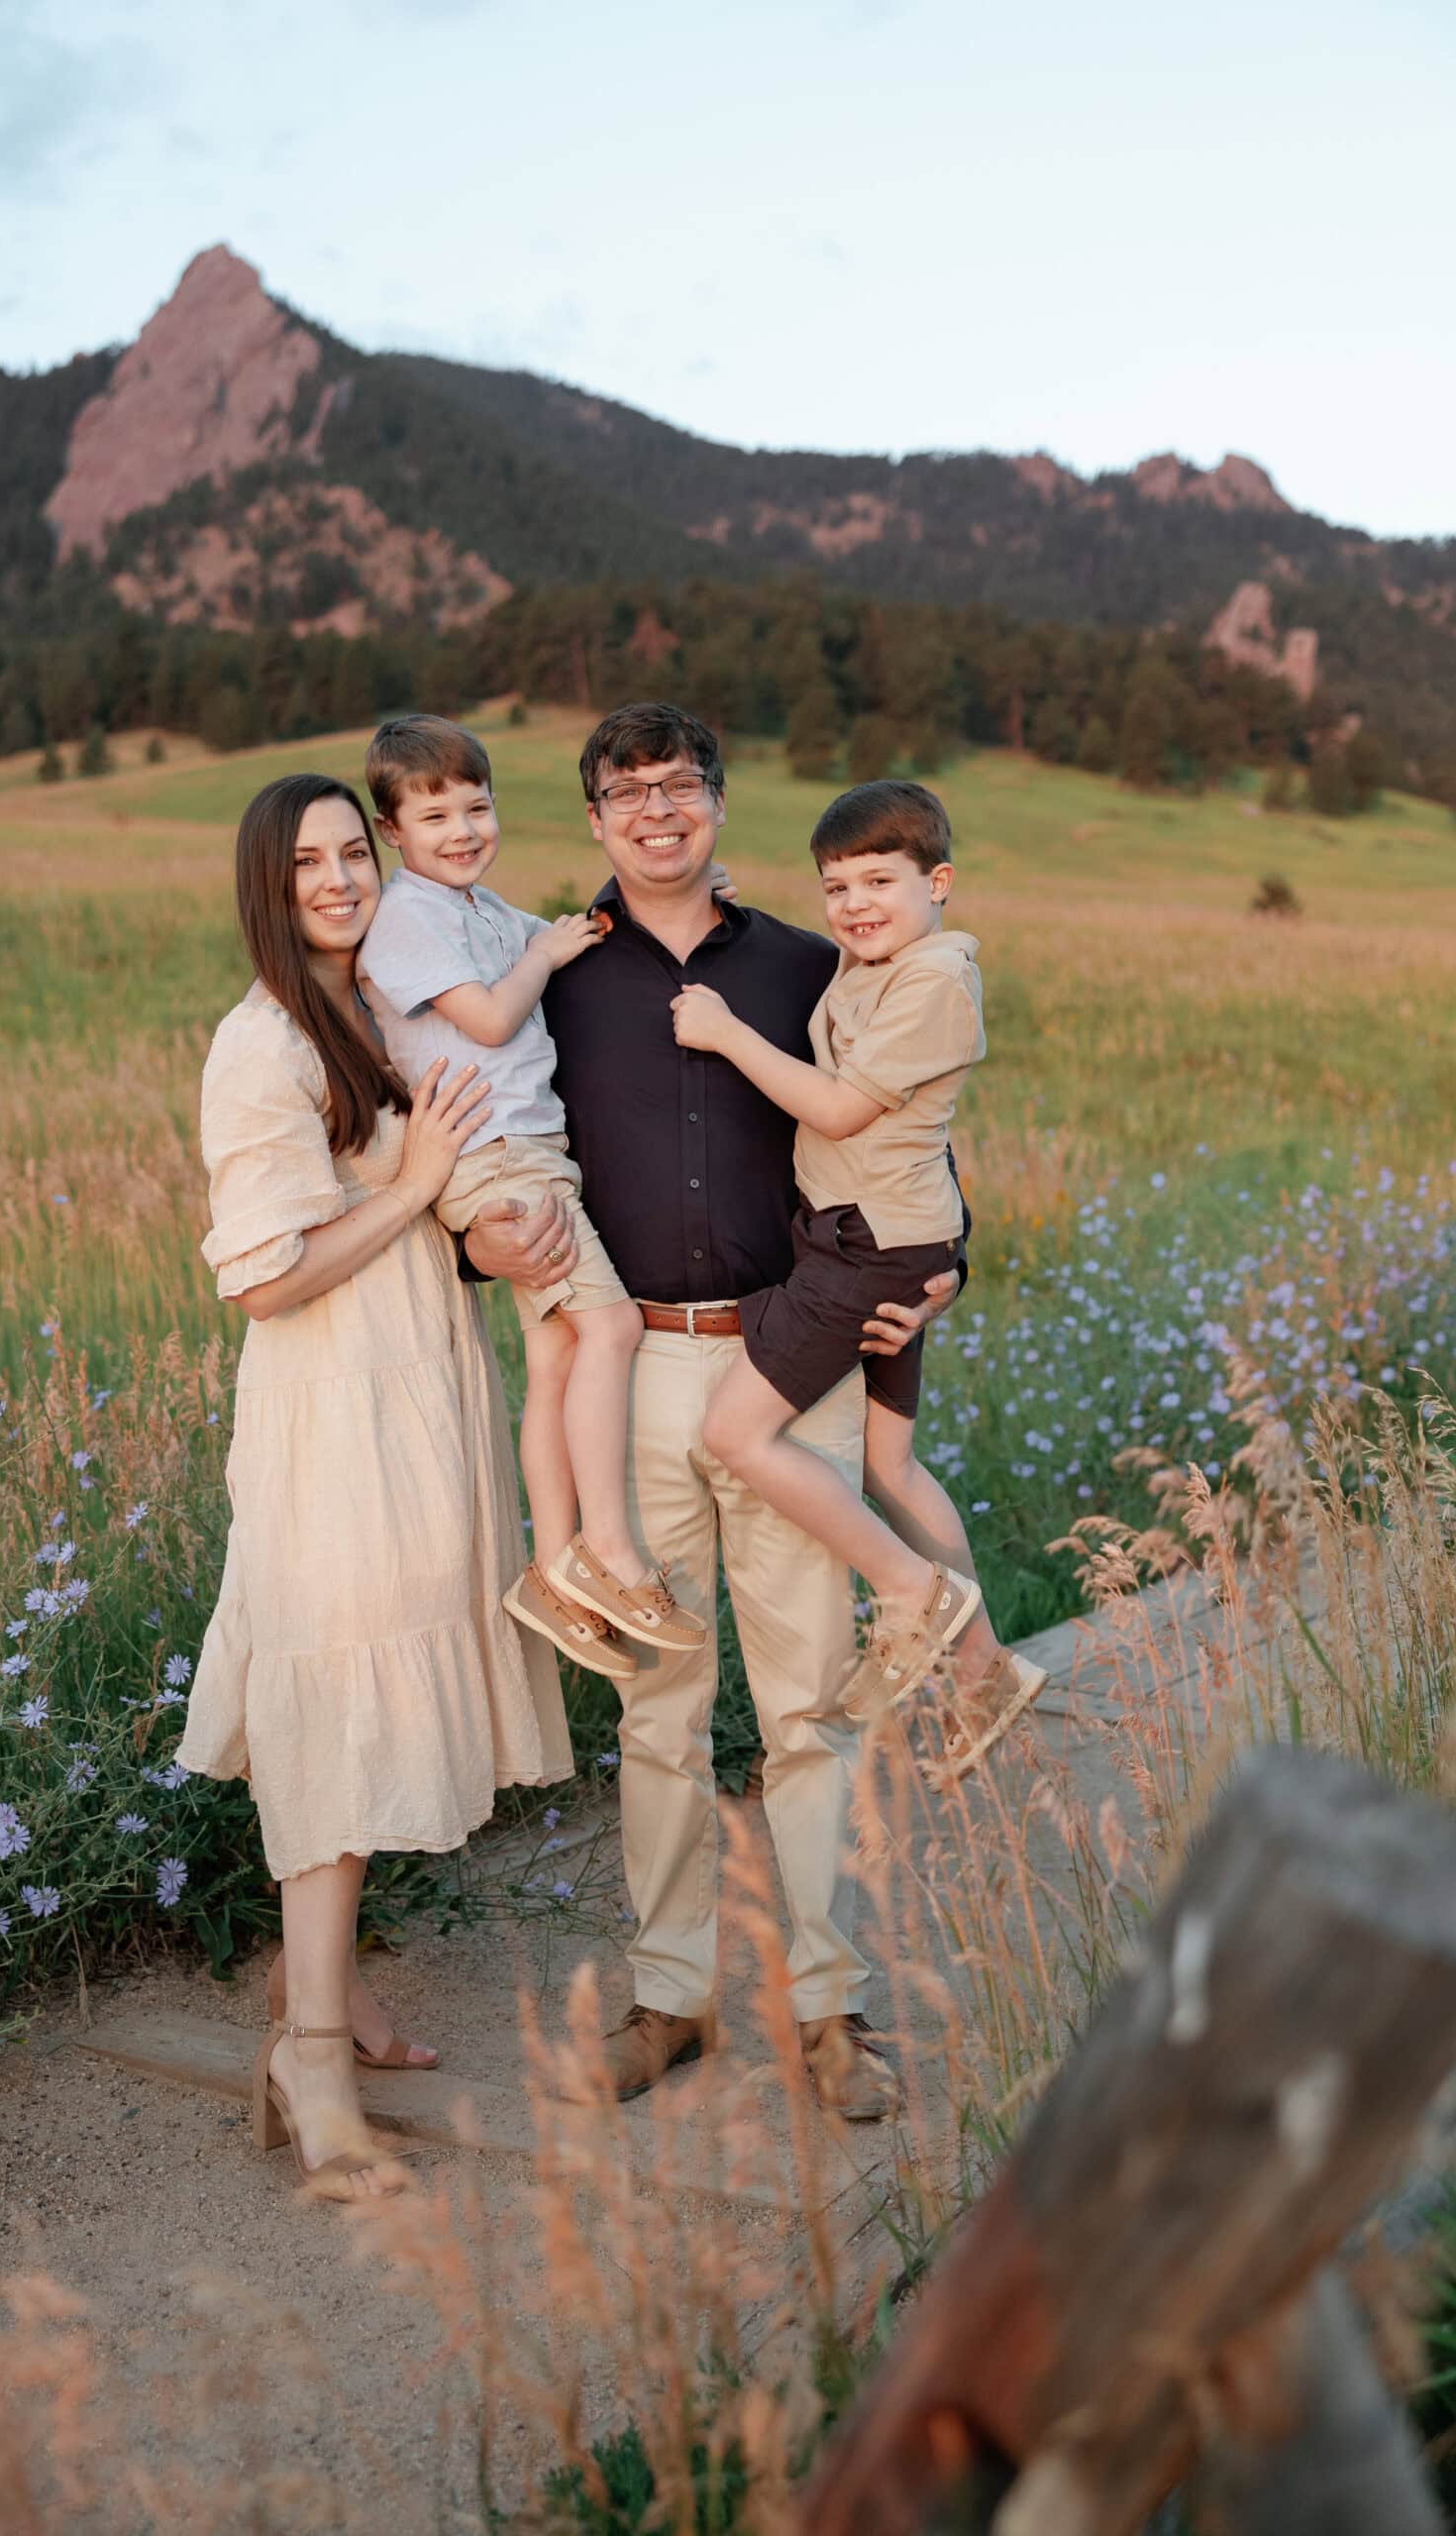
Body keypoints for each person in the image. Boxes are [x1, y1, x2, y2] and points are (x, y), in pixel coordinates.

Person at [463, 703, 962, 2121]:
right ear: (597, 821)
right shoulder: (552, 976)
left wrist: (947, 1266)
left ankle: (827, 2012)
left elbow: (914, 1133)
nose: (654, 811)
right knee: (658, 1710)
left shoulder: (814, 963)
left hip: (782, 1360)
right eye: (625, 792)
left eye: (678, 785)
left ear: (718, 803)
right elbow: (490, 1142)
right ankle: (667, 1999)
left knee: (807, 1707)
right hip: (631, 1366)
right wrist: (483, 1241)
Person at [176, 773, 573, 2204]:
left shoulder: (380, 1009)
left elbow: (428, 1203)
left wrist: (484, 1239)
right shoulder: (261, 1042)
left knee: (388, 1691)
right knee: (343, 1714)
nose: (339, 879)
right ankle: (312, 2064)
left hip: (422, 1394)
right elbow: (269, 1280)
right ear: (264, 889)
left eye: (354, 851)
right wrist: (413, 1192)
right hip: (332, 1416)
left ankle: (309, 1978)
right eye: (306, 864)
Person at [672, 780, 1045, 1784]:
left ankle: (911, 1592)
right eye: (837, 886)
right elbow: (844, 971)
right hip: (898, 1244)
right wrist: (733, 903)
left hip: (868, 1254)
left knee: (732, 1433)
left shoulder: (936, 984)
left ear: (942, 883)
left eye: (879, 880)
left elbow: (837, 1108)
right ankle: (985, 1672)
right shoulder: (882, 961)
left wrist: (726, 1031)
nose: (854, 904)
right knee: (890, 1466)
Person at [358, 714, 705, 1677]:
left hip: (533, 1151)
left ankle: (554, 1567)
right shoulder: (406, 918)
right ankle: (614, 1550)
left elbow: (579, 937)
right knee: (614, 1329)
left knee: (557, 1356)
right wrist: (543, 957)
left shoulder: (477, 907)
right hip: (495, 1158)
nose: (465, 829)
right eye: (437, 816)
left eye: (478, 806)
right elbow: (494, 1007)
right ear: (394, 832)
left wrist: (690, 896)